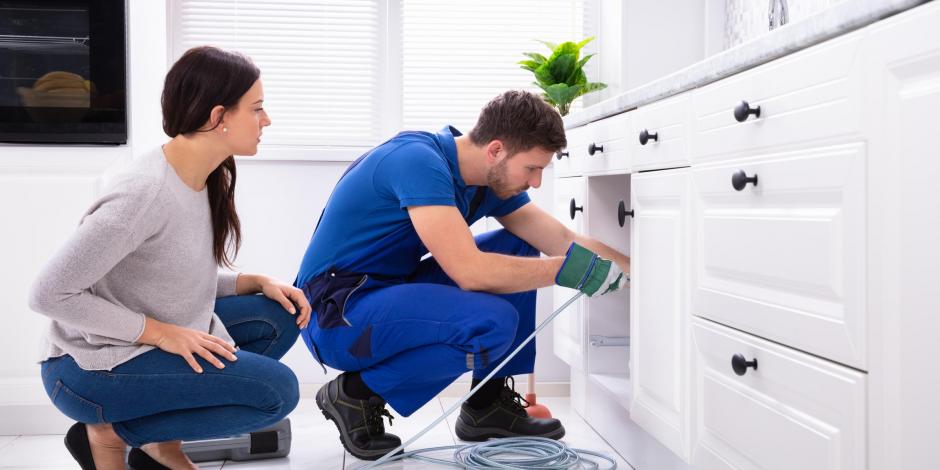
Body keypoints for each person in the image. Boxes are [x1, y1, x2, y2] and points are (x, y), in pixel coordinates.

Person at [294, 90, 629, 460]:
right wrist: (568, 272)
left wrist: (640, 273)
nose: (536, 183)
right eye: (532, 168)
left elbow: (562, 241)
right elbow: (470, 272)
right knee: (491, 322)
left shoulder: (486, 181)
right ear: (496, 150)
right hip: (335, 315)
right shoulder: (416, 161)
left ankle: (487, 404)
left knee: (515, 244)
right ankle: (356, 394)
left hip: (388, 294)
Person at [29, 46, 310, 470]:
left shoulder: (202, 178)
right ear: (218, 118)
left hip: (133, 345)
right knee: (278, 392)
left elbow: (166, 277)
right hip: (88, 369)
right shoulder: (144, 193)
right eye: (256, 109)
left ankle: (160, 446)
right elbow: (48, 294)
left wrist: (250, 281)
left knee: (278, 315)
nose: (265, 120)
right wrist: (161, 334)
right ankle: (111, 434)